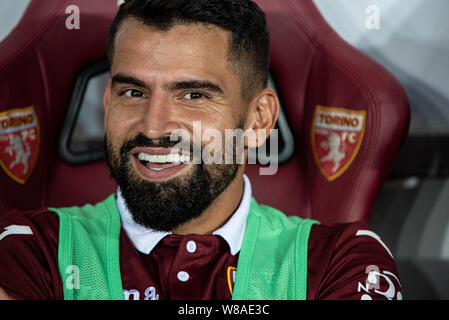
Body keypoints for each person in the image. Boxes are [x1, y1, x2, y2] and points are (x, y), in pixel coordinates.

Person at [0, 0, 402, 300]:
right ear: (108, 103)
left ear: (259, 120)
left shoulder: (342, 261)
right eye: (133, 92)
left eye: (193, 95)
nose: (154, 127)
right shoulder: (30, 249)